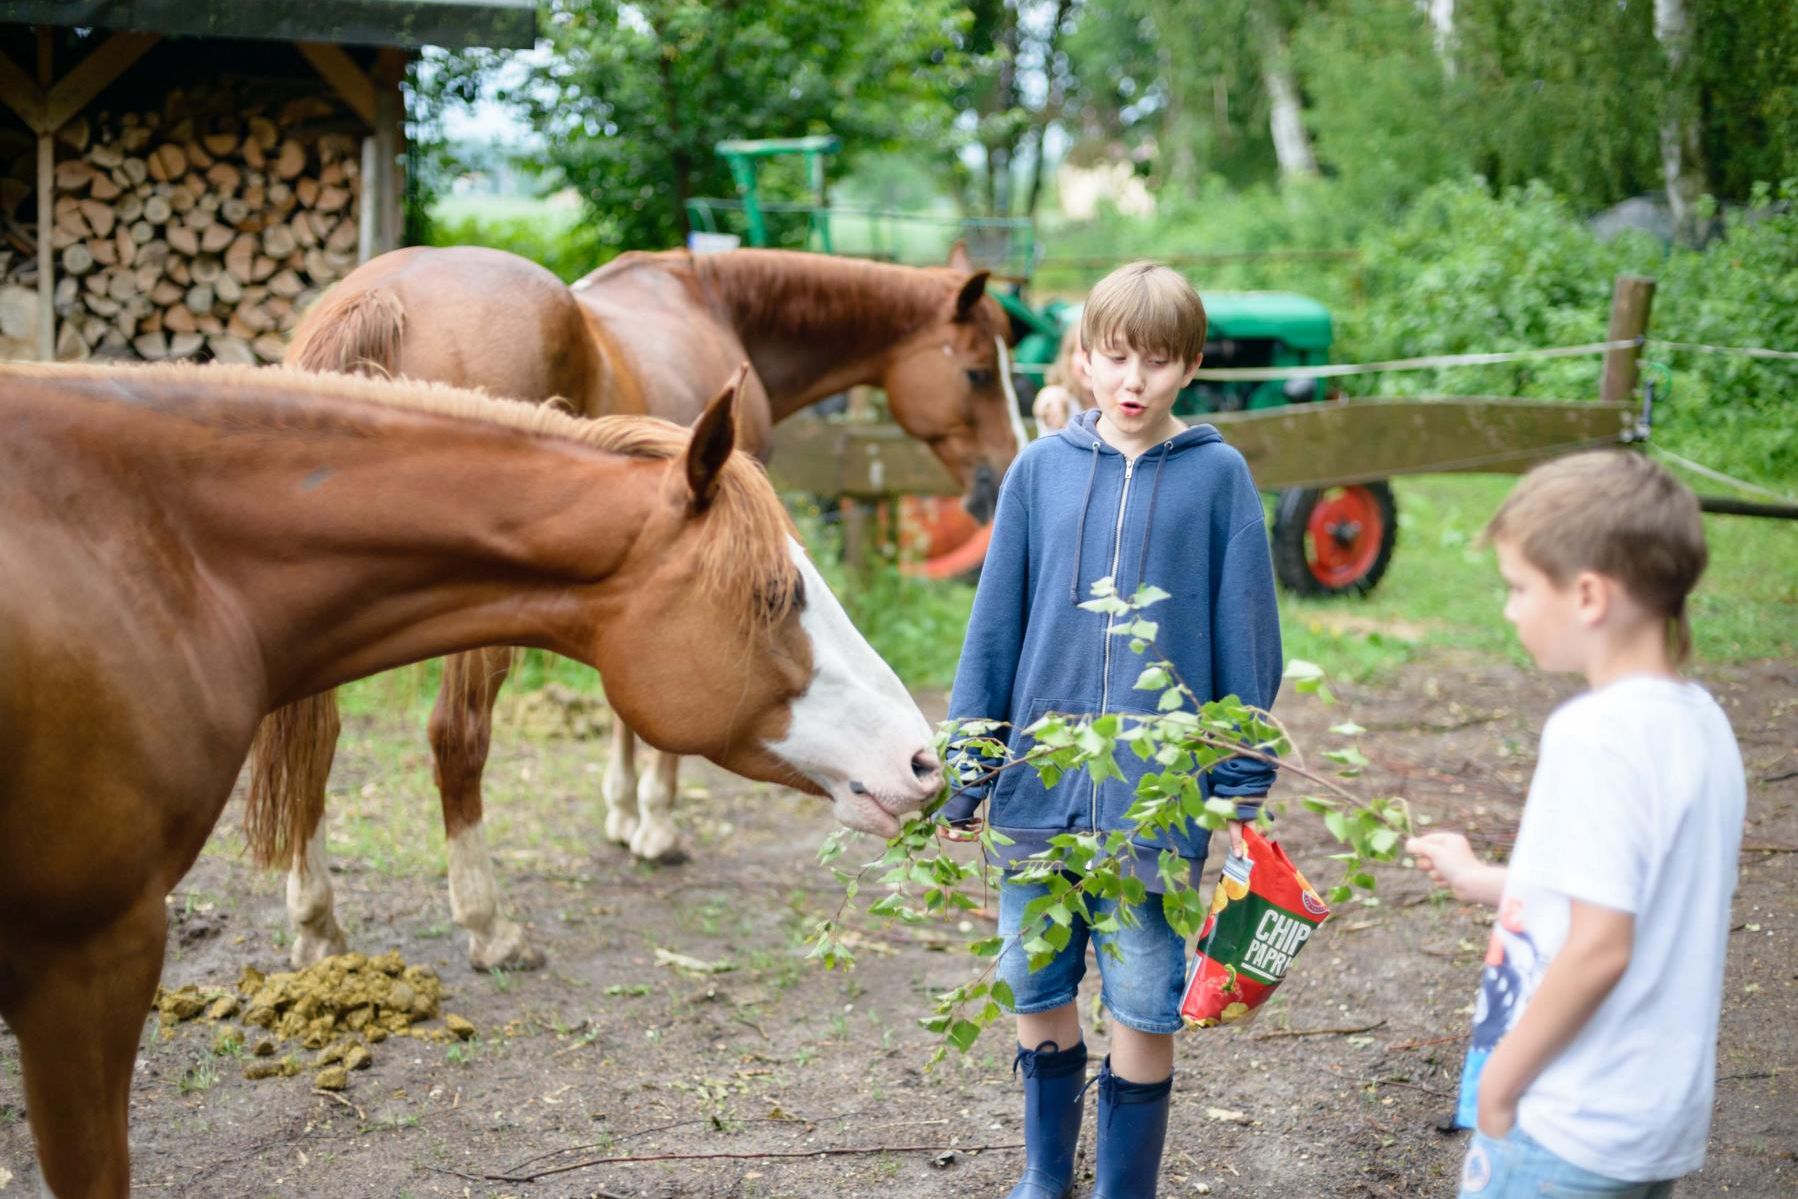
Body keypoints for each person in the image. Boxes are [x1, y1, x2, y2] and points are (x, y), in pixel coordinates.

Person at [942, 261, 1283, 1199]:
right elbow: (994, 629)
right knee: (1037, 985)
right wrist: (971, 767)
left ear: (1192, 366)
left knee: (1142, 994)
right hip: (1037, 791)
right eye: (1116, 356)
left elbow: (1246, 632)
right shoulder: (1039, 474)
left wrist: (1238, 770)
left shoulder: (1218, 478)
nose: (1134, 381)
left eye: (1159, 362)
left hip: (1152, 803)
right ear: (1083, 357)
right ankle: (1045, 1176)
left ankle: (1124, 1191)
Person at [1407, 451, 1745, 1199]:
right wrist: (1478, 879)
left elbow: (1600, 945)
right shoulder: (1701, 723)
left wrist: (1503, 1081)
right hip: (1653, 1124)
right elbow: (1626, 891)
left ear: (1589, 594)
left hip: (1563, 1117)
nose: (1510, 608)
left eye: (1521, 587)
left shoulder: (1594, 734)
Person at [1031, 322, 1095, 436]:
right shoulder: (1062, 398)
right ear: (1068, 358)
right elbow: (1048, 399)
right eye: (1083, 353)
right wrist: (1050, 399)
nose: (1092, 363)